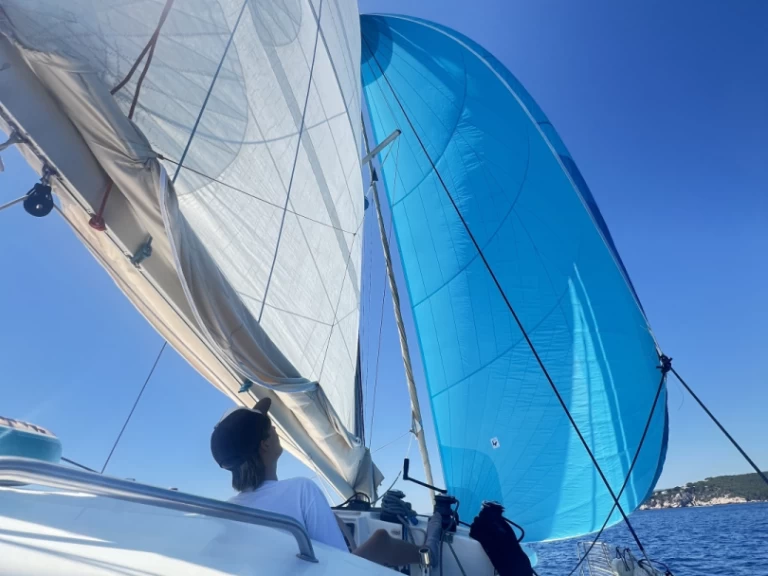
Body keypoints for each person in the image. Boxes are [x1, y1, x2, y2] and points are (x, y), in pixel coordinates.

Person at [210, 398, 443, 568]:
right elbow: (341, 568)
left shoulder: (225, 512)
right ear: (265, 444)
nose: (274, 428)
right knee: (381, 540)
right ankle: (429, 553)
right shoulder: (302, 491)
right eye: (269, 425)